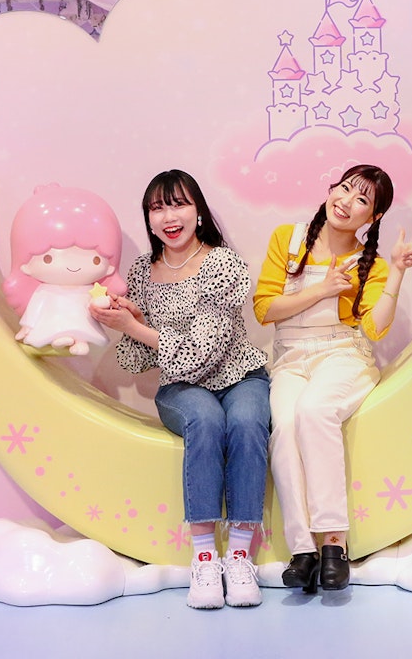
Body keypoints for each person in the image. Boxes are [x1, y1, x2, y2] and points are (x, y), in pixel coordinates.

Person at [90, 170, 271, 610]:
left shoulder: (223, 264)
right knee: (205, 420)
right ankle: (205, 557)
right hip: (180, 389)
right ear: (149, 219)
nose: (169, 216)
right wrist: (128, 317)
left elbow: (203, 353)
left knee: (246, 421)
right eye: (157, 207)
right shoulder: (141, 272)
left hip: (239, 375)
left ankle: (240, 555)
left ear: (198, 211)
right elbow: (137, 362)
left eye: (178, 204)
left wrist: (137, 327)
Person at [253, 164, 412, 593]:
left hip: (342, 354)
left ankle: (334, 544)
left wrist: (398, 273)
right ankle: (303, 550)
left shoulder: (369, 263)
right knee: (285, 423)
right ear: (331, 188)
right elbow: (264, 309)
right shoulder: (287, 239)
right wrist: (322, 288)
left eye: (362, 200)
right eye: (346, 188)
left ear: (371, 219)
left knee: (315, 411)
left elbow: (374, 328)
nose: (347, 201)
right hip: (290, 356)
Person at [2, 183, 126, 355]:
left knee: (83, 329)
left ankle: (79, 340)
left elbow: (97, 305)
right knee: (51, 331)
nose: (73, 265)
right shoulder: (44, 290)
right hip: (50, 323)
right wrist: (27, 326)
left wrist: (102, 302)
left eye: (95, 259)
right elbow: (35, 309)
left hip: (83, 324)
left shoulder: (91, 290)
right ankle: (59, 338)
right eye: (48, 257)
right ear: (26, 265)